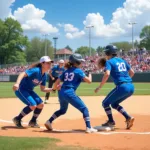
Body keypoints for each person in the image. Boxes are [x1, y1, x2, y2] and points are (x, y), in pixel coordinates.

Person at [44, 53, 97, 133]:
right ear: (76, 62)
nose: (81, 63)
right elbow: (89, 81)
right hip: (69, 92)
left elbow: (57, 82)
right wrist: (90, 74)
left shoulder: (66, 71)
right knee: (84, 109)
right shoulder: (78, 71)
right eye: (80, 61)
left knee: (62, 110)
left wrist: (54, 89)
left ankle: (49, 121)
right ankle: (89, 127)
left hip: (61, 92)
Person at [95, 45, 135, 129]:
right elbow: (132, 72)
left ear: (107, 52)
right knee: (114, 104)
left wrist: (100, 87)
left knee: (105, 103)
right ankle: (128, 117)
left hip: (122, 87)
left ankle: (111, 121)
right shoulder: (123, 61)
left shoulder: (109, 62)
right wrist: (126, 81)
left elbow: (107, 74)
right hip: (131, 87)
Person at [12, 56, 54, 128]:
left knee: (40, 104)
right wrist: (17, 83)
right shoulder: (36, 70)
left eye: (50, 63)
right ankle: (17, 119)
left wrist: (53, 89)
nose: (49, 65)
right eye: (47, 63)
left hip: (29, 90)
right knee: (33, 105)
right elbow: (22, 74)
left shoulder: (44, 76)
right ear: (42, 64)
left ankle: (33, 121)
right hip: (21, 89)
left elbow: (43, 89)